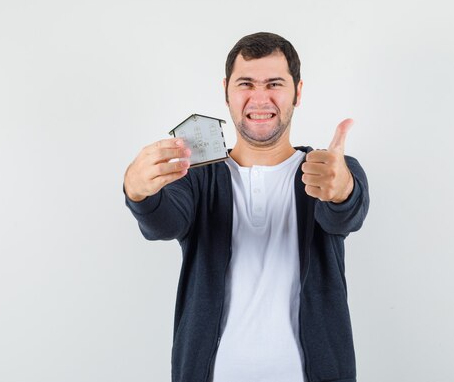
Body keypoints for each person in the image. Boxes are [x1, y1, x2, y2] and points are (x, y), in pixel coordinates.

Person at [123, 32, 369, 382]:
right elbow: (163, 223)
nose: (260, 97)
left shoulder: (328, 170)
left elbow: (346, 211)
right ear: (226, 91)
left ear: (298, 92)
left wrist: (341, 188)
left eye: (274, 83)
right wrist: (137, 190)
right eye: (246, 84)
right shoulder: (197, 177)